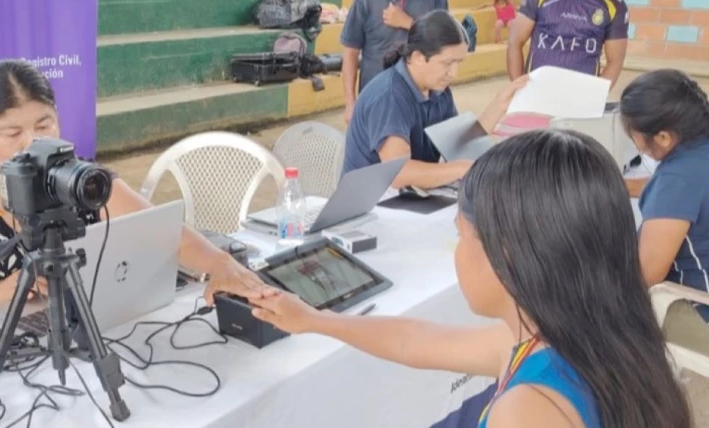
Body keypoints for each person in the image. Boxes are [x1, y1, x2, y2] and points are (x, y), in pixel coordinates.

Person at [251, 130, 692, 428]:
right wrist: (316, 320)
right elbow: (415, 341)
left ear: (507, 256)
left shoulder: (528, 409)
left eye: (460, 235)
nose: (457, 252)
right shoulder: (577, 338)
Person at [0, 59, 271, 324]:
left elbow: (158, 230)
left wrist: (221, 264)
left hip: (63, 332)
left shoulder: (74, 177)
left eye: (43, 124)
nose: (32, 143)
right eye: (11, 132)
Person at [343, 9, 528, 189]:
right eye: (447, 63)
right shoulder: (388, 95)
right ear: (417, 57)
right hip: (371, 207)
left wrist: (499, 105)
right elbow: (398, 173)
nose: (454, 73)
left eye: (459, 62)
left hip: (409, 199)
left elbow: (458, 146)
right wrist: (462, 168)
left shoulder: (438, 89)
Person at [620, 69, 709, 352]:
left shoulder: (677, 179)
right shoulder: (697, 153)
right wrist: (615, 184)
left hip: (699, 310)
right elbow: (680, 191)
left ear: (662, 137)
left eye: (633, 134)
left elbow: (646, 273)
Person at [340, 0, 449, 123]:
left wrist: (408, 23)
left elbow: (444, 42)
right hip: (377, 101)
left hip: (422, 103)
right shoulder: (366, 0)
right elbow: (350, 54)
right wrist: (350, 103)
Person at [507, 0, 628, 87]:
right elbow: (514, 42)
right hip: (535, 94)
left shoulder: (615, 6)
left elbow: (615, 61)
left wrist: (594, 99)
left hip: (579, 99)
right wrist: (518, 90)